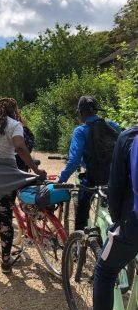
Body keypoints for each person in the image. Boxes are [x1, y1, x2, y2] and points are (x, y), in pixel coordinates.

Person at [0, 98, 46, 274]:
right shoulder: (14, 124)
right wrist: (35, 169)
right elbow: (20, 147)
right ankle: (6, 262)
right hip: (8, 177)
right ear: (13, 111)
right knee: (5, 219)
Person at [82, 126, 138, 310]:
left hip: (133, 226)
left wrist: (118, 221)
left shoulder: (129, 137)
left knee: (103, 272)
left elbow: (115, 188)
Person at [58, 95, 120, 231]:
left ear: (80, 113)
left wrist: (61, 180)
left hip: (93, 178)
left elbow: (74, 161)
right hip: (116, 176)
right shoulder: (113, 126)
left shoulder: (80, 131)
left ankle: (77, 245)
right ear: (96, 111)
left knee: (82, 210)